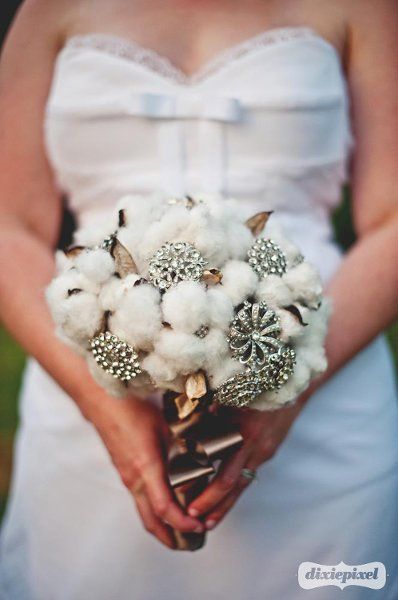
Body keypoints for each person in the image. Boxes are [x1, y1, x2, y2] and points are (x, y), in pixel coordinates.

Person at [0, 0, 397, 598]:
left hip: (323, 388)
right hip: (86, 393)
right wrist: (103, 403)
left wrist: (290, 390)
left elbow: (394, 218)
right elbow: (7, 223)